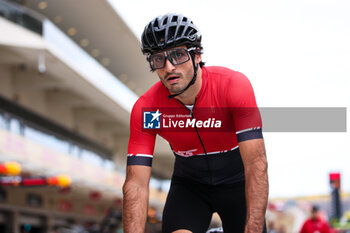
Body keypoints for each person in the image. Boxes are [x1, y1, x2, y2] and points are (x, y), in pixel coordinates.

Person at [123, 13, 269, 233]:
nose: (169, 67)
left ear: (197, 54)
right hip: (190, 186)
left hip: (237, 183)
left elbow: (256, 163)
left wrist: (255, 226)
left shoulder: (232, 87)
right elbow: (136, 185)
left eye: (178, 55)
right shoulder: (148, 109)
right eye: (159, 59)